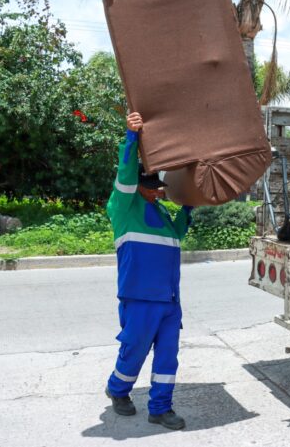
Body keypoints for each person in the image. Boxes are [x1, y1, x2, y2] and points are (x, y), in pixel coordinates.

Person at [104, 112, 193, 430]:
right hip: (139, 297)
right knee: (135, 350)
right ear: (138, 185)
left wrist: (189, 206)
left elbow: (177, 235)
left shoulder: (162, 215)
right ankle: (117, 390)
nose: (158, 191)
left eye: (159, 186)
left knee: (168, 357)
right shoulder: (123, 207)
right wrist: (131, 137)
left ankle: (160, 407)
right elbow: (125, 175)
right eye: (151, 186)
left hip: (169, 300)